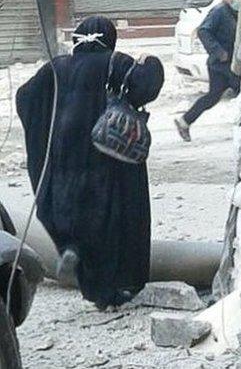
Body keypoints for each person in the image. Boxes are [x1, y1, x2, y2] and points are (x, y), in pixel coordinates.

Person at [16, 17, 164, 310]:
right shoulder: (116, 62)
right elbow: (146, 86)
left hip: (64, 158)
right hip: (108, 154)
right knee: (114, 220)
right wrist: (152, 62)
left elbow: (24, 98)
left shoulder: (54, 68)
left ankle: (74, 252)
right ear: (108, 39)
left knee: (77, 217)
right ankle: (114, 291)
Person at [175, 0, 241, 141]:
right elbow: (203, 31)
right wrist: (218, 51)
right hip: (221, 64)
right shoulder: (219, 12)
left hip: (228, 63)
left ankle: (184, 121)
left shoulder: (233, 13)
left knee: (213, 96)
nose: (239, 0)